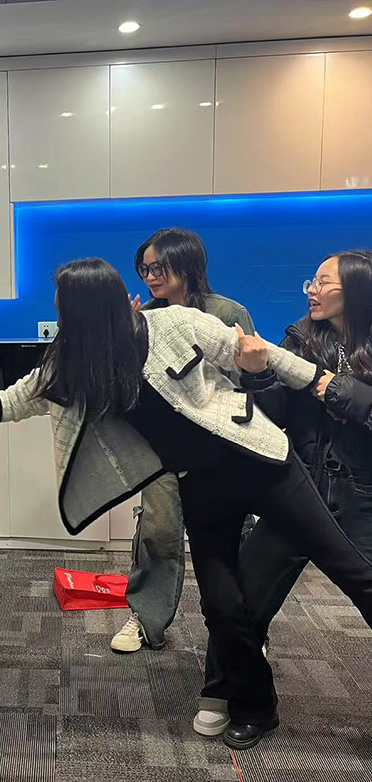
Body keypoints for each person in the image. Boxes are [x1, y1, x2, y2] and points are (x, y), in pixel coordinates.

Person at [0, 257, 372, 749]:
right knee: (221, 605)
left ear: (88, 312)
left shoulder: (176, 323)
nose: (60, 320)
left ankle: (239, 695)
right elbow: (15, 400)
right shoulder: (75, 365)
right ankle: (257, 706)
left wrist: (323, 384)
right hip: (202, 487)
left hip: (263, 463)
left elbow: (264, 355)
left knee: (350, 569)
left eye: (63, 311)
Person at [196, 249, 372, 738]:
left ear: (358, 288)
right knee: (242, 601)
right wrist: (258, 373)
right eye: (311, 282)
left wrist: (329, 387)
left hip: (362, 495)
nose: (312, 290)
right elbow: (271, 413)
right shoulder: (299, 339)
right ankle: (241, 698)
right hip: (298, 488)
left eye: (324, 282)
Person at [113, 228, 256, 655]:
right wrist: (123, 337)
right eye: (145, 269)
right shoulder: (144, 317)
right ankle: (147, 618)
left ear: (188, 264)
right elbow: (128, 383)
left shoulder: (228, 312)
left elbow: (249, 379)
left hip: (219, 447)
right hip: (162, 447)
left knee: (230, 539)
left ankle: (247, 629)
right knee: (157, 531)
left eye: (159, 267)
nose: (150, 276)